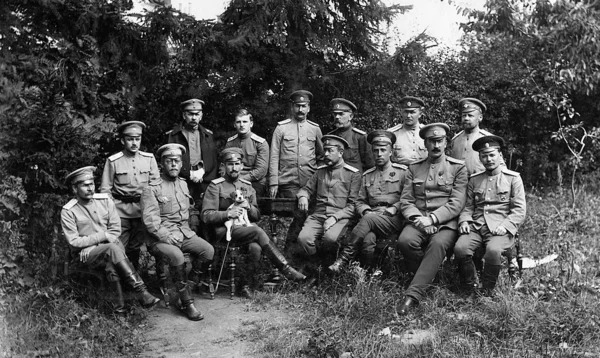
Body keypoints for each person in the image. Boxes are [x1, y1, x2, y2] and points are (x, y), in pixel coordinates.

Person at [201, 148, 306, 297]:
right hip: (224, 231)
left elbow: (256, 216)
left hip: (245, 229)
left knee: (255, 247)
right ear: (224, 166)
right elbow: (206, 215)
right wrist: (227, 214)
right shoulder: (215, 186)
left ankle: (244, 285)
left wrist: (249, 207)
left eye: (237, 164)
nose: (234, 168)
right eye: (230, 164)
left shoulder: (247, 186)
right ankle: (286, 269)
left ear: (242, 166)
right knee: (257, 231)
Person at [61, 166, 160, 315]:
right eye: (85, 185)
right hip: (85, 255)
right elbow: (74, 242)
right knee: (112, 249)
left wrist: (96, 244)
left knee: (111, 264)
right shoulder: (68, 211)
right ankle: (142, 292)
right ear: (75, 189)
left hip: (107, 249)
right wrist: (102, 238)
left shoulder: (105, 201)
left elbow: (114, 231)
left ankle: (119, 310)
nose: (90, 188)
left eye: (92, 184)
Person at [397, 123, 468, 314]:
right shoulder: (414, 168)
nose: (436, 146)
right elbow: (406, 201)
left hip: (446, 223)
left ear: (446, 143)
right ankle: (433, 275)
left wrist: (433, 219)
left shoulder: (458, 168)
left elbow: (456, 203)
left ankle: (412, 295)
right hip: (419, 219)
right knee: (405, 241)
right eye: (432, 141)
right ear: (425, 143)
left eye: (440, 141)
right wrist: (420, 219)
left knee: (437, 244)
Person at [141, 144, 215, 321]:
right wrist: (166, 236)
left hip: (184, 233)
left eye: (177, 161)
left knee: (208, 250)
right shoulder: (152, 188)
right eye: (169, 161)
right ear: (162, 164)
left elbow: (187, 213)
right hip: (159, 238)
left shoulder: (183, 184)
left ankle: (184, 291)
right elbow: (151, 222)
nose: (173, 164)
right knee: (177, 257)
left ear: (182, 164)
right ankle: (187, 303)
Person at [454, 135, 526, 295]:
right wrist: (464, 221)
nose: (488, 159)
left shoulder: (513, 178)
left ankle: (487, 290)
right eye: (484, 155)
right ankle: (471, 287)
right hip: (477, 226)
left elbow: (519, 210)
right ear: (479, 158)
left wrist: (506, 226)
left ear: (500, 155)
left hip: (500, 228)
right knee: (460, 248)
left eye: (492, 154)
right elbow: (468, 206)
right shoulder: (475, 180)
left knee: (493, 251)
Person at [328, 130, 408, 273]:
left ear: (390, 152)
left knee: (368, 220)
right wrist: (366, 210)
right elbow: (360, 200)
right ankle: (370, 275)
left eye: (383, 150)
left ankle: (344, 259)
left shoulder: (402, 172)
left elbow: (409, 198)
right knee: (367, 240)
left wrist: (395, 208)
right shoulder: (367, 175)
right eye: (376, 151)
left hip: (394, 218)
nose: (379, 154)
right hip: (372, 216)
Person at [268, 90, 324, 254]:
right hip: (289, 182)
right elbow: (274, 156)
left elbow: (322, 156)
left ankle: (302, 252)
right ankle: (290, 254)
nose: (300, 110)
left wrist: (318, 178)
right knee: (301, 213)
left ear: (308, 108)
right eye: (297, 106)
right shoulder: (281, 128)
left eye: (303, 106)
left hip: (310, 181)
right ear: (292, 107)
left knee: (310, 216)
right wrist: (273, 181)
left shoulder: (315, 129)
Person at [295, 135, 361, 272]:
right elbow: (306, 189)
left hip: (340, 217)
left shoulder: (353, 174)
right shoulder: (320, 172)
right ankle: (317, 269)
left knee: (330, 239)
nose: (325, 154)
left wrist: (335, 217)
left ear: (340, 153)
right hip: (318, 216)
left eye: (330, 151)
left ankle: (328, 271)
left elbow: (354, 204)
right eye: (325, 150)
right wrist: (303, 197)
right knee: (303, 239)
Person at [100, 121, 159, 270]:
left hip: (142, 211)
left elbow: (156, 187)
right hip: (120, 211)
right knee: (119, 246)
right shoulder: (113, 161)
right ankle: (116, 281)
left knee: (135, 247)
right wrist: (111, 211)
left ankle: (133, 281)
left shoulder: (149, 159)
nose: (134, 143)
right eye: (130, 139)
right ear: (122, 140)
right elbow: (105, 190)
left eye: (137, 139)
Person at [166, 98, 218, 232]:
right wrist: (188, 173)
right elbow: (168, 161)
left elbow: (213, 159)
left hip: (204, 180)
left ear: (201, 115)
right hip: (183, 180)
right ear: (184, 115)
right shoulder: (173, 136)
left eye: (197, 114)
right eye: (190, 114)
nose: (194, 117)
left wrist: (203, 171)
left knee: (206, 214)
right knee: (184, 214)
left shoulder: (208, 135)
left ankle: (208, 248)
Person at [224, 109, 269, 197]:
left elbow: (260, 171)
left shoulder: (260, 143)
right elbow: (224, 165)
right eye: (238, 122)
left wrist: (240, 180)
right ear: (234, 124)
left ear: (251, 124)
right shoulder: (230, 143)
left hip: (254, 182)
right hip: (232, 179)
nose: (241, 125)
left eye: (245, 121)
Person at [326, 98, 374, 173]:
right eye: (335, 114)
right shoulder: (330, 137)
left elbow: (370, 165)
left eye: (341, 114)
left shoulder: (360, 137)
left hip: (354, 182)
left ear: (351, 116)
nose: (337, 117)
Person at [450, 98, 494, 175]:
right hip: (458, 185)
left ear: (480, 117)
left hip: (480, 184)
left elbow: (499, 166)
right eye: (464, 115)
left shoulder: (488, 139)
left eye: (470, 115)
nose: (466, 118)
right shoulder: (455, 140)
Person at [387, 96, 428, 165]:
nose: (408, 116)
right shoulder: (392, 134)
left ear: (420, 114)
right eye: (405, 112)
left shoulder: (427, 132)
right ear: (401, 113)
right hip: (400, 174)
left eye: (412, 112)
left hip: (423, 173)